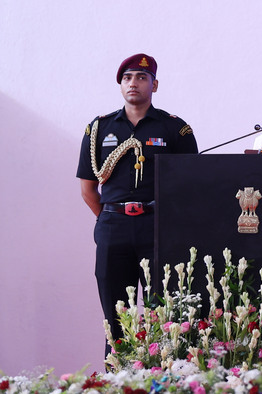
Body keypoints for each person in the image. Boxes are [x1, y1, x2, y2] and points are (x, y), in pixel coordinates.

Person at [76, 53, 198, 355]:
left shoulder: (175, 129)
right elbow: (89, 189)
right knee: (117, 313)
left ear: (154, 86)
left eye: (142, 78)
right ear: (120, 85)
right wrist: (111, 217)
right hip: (113, 228)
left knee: (163, 312)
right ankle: (116, 377)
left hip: (158, 228)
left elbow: (191, 185)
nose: (134, 83)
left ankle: (163, 376)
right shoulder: (99, 129)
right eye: (128, 78)